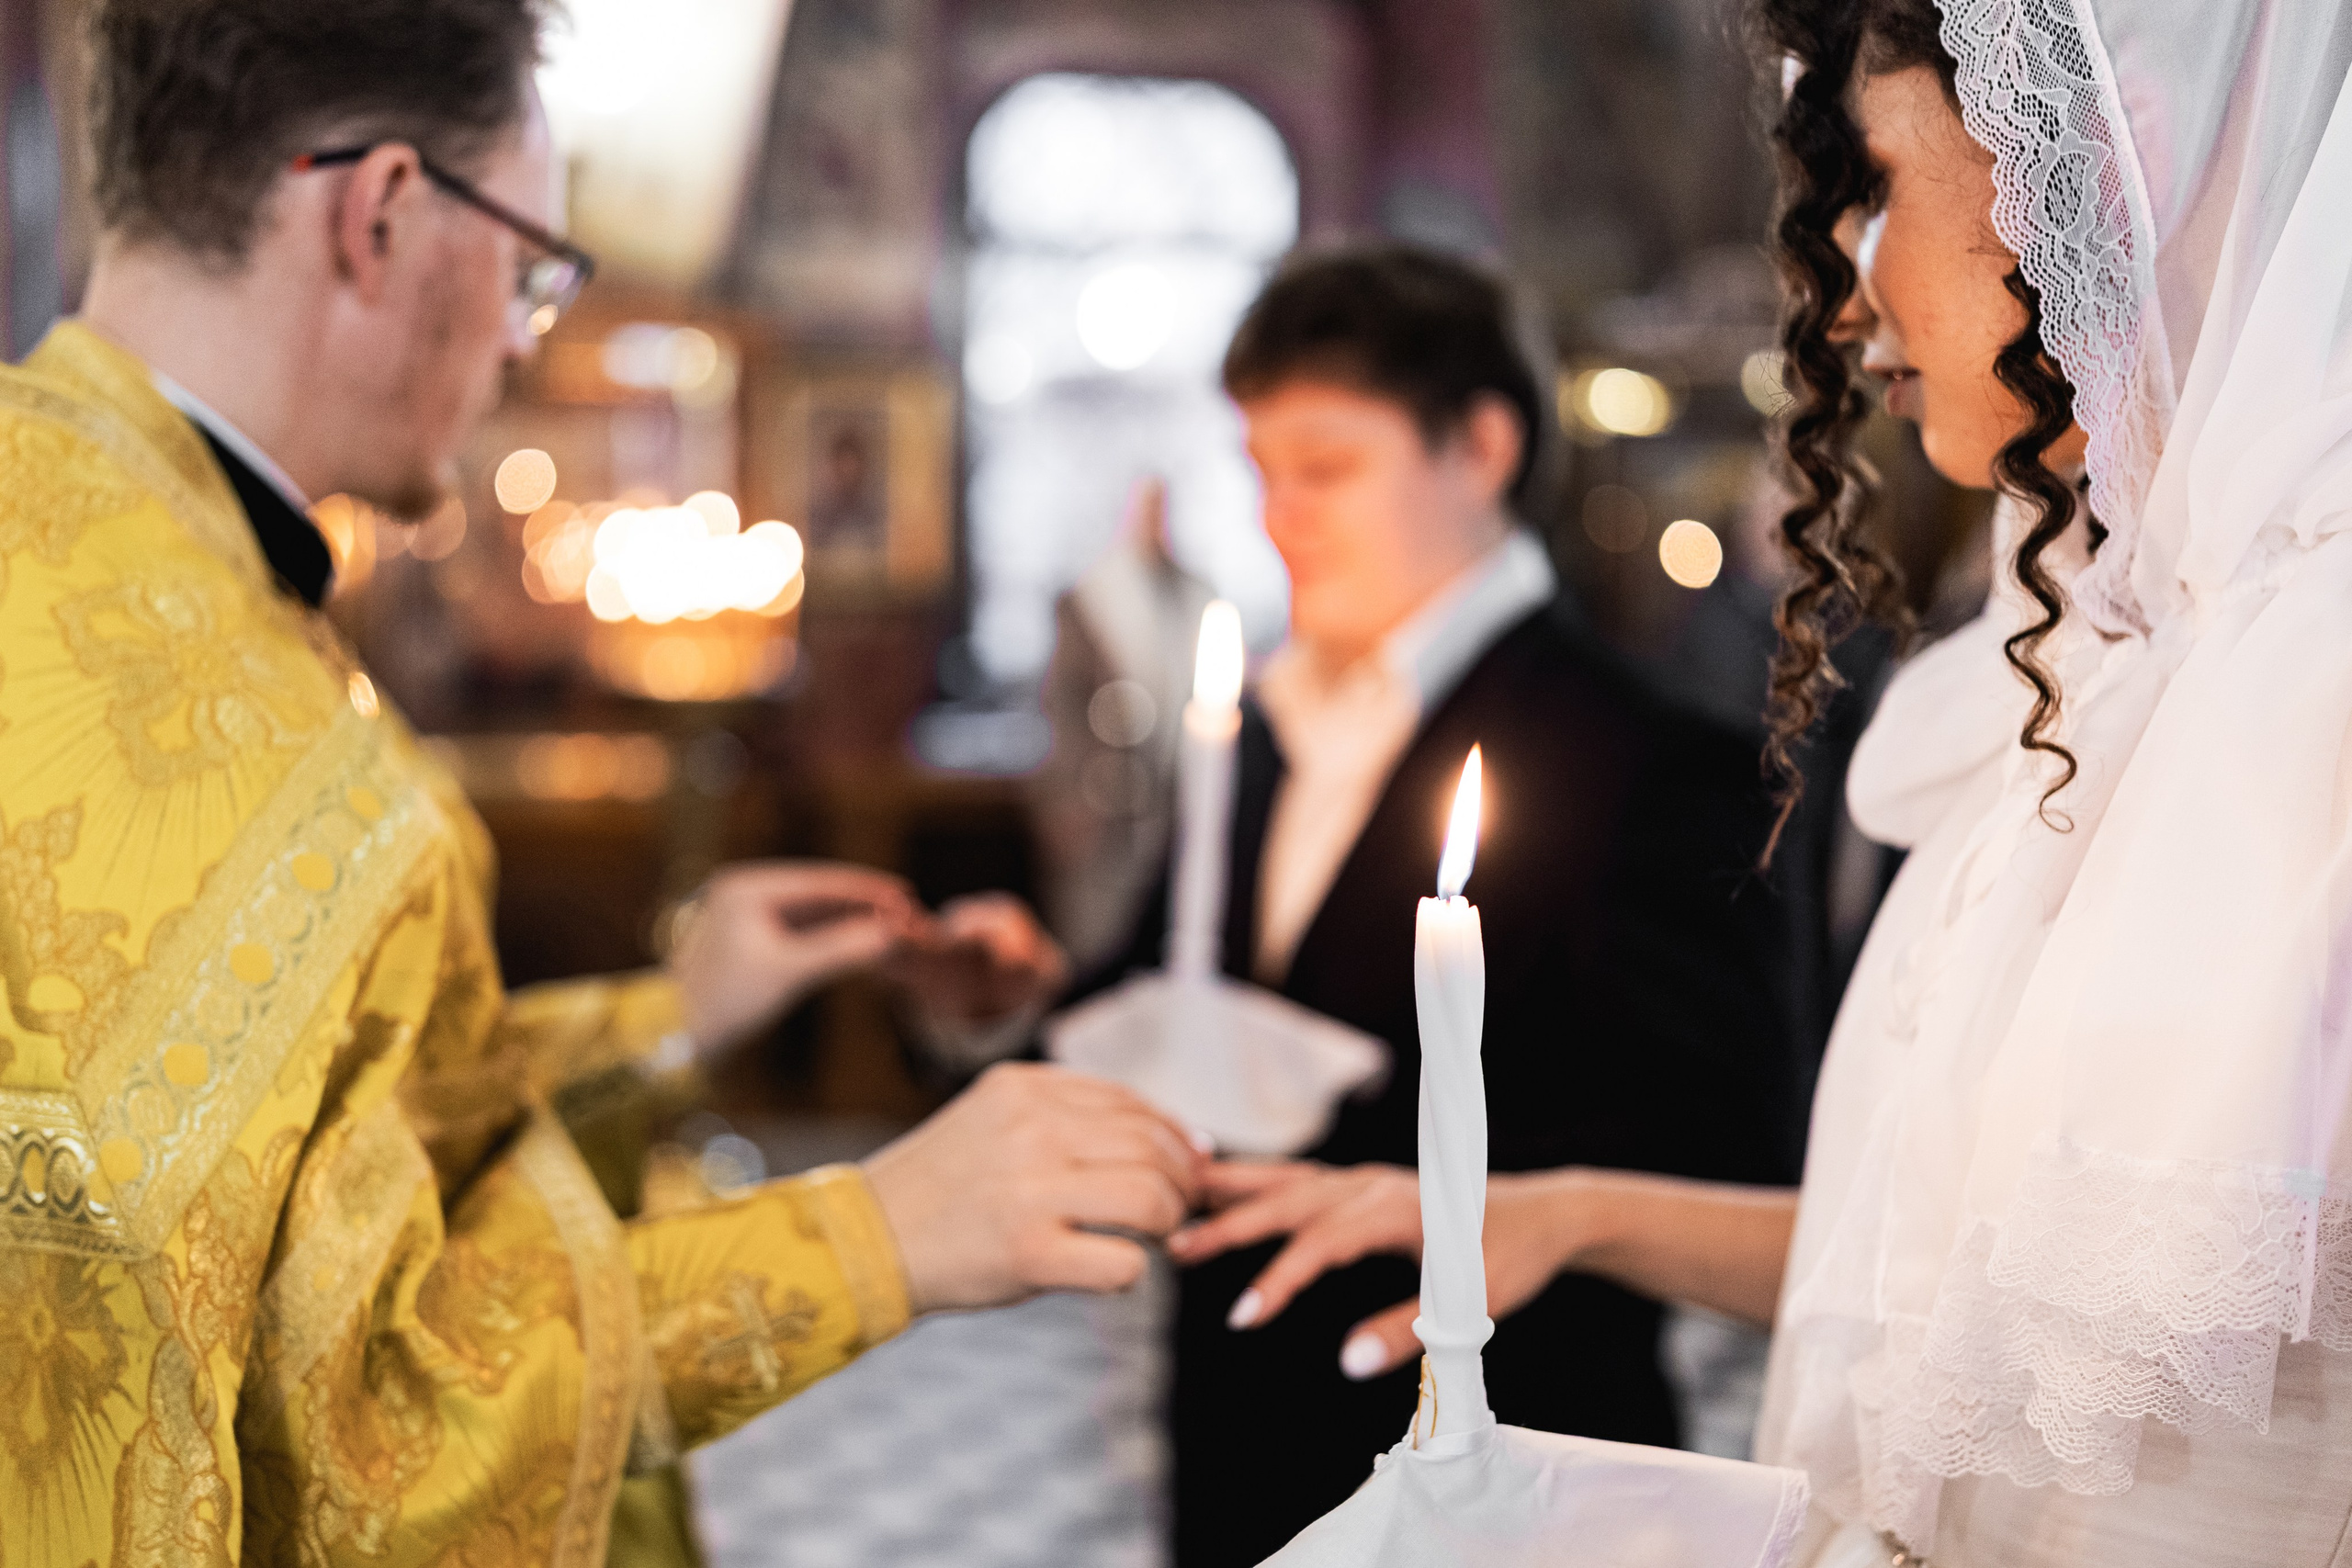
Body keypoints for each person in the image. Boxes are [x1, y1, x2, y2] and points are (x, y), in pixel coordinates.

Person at [0, 1, 1200, 1560]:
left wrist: (672, 1020)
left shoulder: (101, 540)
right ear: (381, 215)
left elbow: (301, 1171)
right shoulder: (266, 744)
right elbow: (349, 1443)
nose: (524, 337)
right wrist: (876, 1234)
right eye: (528, 265)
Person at [1183, 0, 2352, 1562]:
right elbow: (1959, 1271)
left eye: (1880, 186)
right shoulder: (2099, 655)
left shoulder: (2307, 716)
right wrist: (1574, 1212)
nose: (1850, 304)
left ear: (2094, 165)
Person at [1088, 245, 1807, 1565]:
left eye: (1325, 469)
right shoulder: (1260, 724)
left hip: (1498, 1465)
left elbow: (1726, 1144)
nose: (1279, 519)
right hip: (1241, 1442)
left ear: (1478, 447)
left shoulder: (1653, 760)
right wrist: (1013, 998)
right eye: (1260, 473)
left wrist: (1446, 1179)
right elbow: (1168, 976)